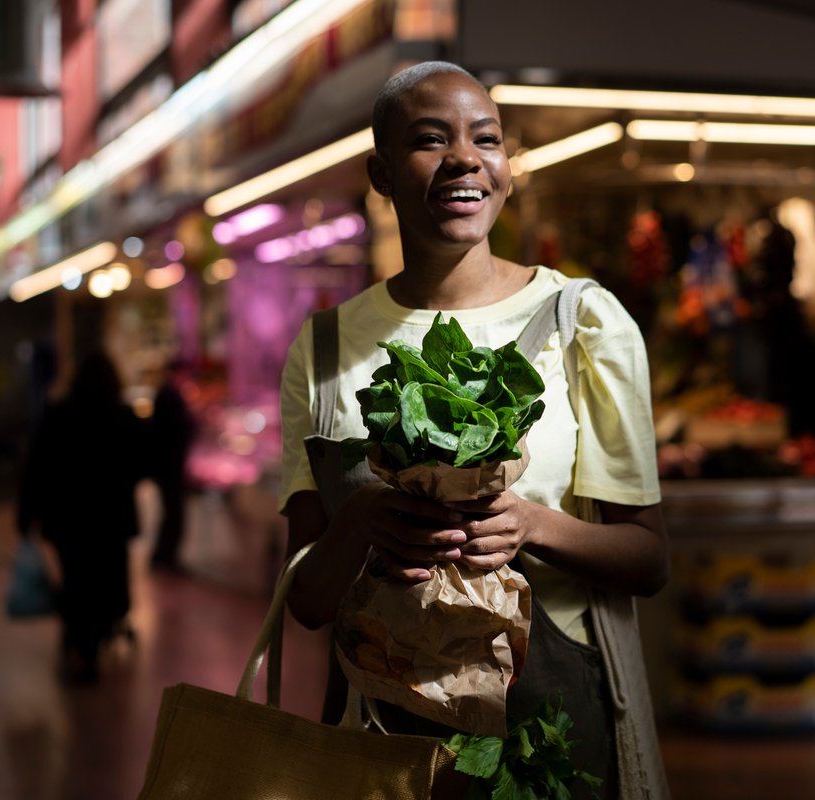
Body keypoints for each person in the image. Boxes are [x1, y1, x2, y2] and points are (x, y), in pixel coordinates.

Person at [278, 62, 670, 799]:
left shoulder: (582, 321)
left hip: (551, 723)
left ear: (507, 170)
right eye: (431, 139)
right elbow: (304, 599)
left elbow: (648, 559)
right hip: (383, 733)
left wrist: (530, 526)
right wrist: (361, 522)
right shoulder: (326, 347)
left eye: (485, 139)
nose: (465, 157)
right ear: (381, 173)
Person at [18, 353, 147, 682]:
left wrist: (26, 513)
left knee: (76, 579)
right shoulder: (123, 415)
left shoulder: (60, 413)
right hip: (111, 519)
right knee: (106, 578)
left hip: (69, 518)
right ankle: (95, 640)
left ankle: (78, 640)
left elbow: (38, 466)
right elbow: (142, 464)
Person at [149, 361, 196, 572]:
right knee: (174, 515)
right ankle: (166, 558)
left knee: (170, 514)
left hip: (165, 466)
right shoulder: (170, 397)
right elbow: (179, 430)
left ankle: (162, 556)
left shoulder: (164, 395)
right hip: (170, 468)